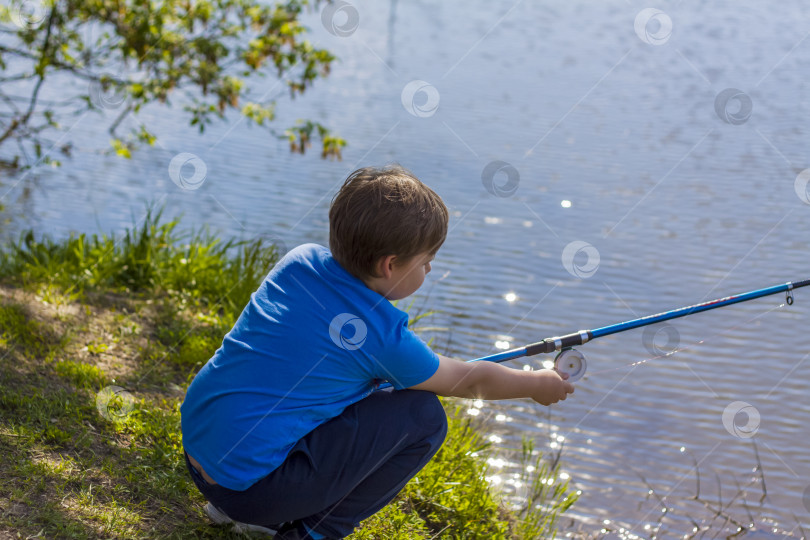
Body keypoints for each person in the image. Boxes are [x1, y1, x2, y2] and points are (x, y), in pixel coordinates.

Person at [180, 165, 574, 539]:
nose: (429, 272)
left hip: (198, 449)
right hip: (249, 491)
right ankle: (314, 531)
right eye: (426, 262)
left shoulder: (298, 262)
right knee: (424, 417)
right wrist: (536, 384)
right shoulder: (380, 335)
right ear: (390, 265)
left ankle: (242, 505)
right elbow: (466, 380)